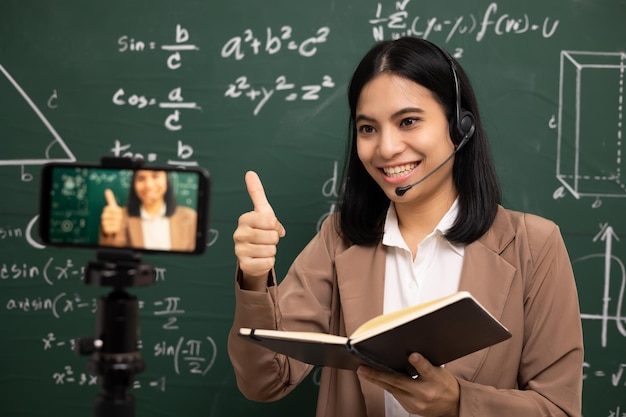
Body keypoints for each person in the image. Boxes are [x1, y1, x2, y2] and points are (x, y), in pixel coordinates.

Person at [228, 37, 583, 417]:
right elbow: (266, 381)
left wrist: (460, 404)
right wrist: (253, 277)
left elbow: (558, 408)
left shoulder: (534, 245)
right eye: (368, 129)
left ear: (459, 126)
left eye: (408, 121)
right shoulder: (339, 239)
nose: (386, 148)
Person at [99, 169, 197, 252]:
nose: (148, 185)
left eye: (155, 176)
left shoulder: (190, 218)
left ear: (166, 180)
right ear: (134, 184)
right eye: (141, 179)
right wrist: (109, 234)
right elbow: (112, 256)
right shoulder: (119, 217)